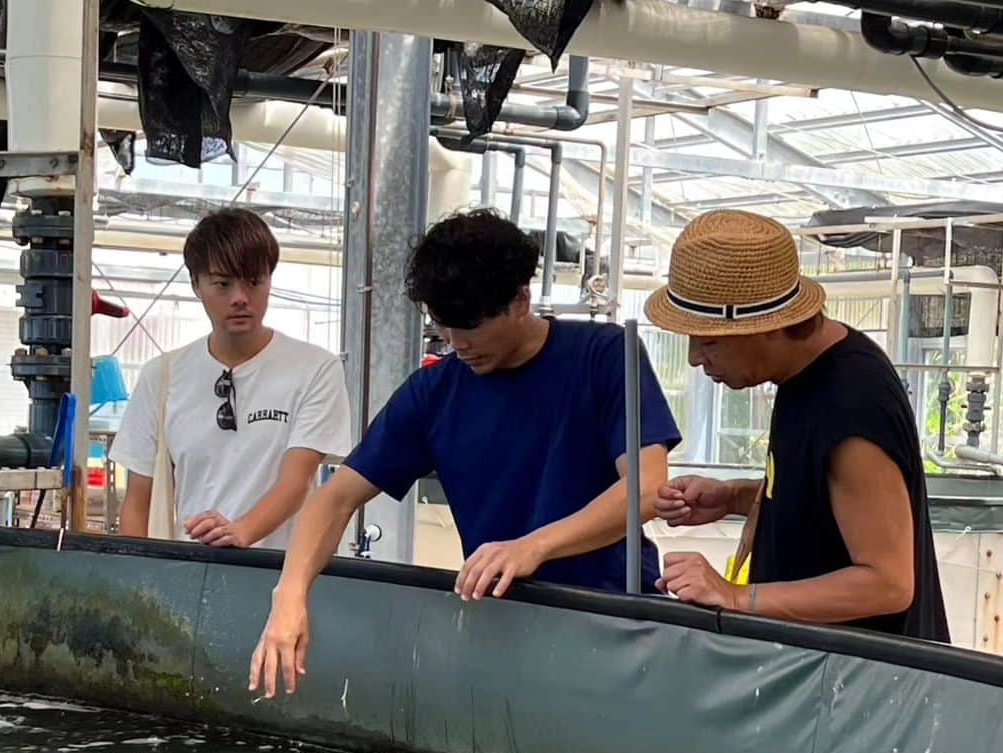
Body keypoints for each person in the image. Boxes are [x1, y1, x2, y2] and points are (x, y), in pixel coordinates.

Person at [249, 208, 682, 696]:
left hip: (615, 627)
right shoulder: (434, 392)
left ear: (521, 299)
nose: (457, 344)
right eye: (443, 327)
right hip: (501, 628)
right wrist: (290, 594)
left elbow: (647, 487)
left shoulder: (604, 355)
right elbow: (335, 498)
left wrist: (531, 547)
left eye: (470, 327)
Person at [644, 209, 949, 643]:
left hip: (862, 685)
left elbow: (888, 583)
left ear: (769, 327)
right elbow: (827, 503)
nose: (695, 358)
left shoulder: (850, 403)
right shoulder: (804, 372)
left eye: (709, 341)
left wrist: (733, 597)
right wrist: (734, 497)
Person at [110, 208, 352, 550]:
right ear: (196, 284)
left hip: (280, 580)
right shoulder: (162, 376)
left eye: (254, 282)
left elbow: (296, 482)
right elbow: (138, 500)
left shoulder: (314, 369)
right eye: (222, 284)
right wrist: (135, 582)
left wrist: (242, 531)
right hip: (188, 576)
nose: (240, 298)